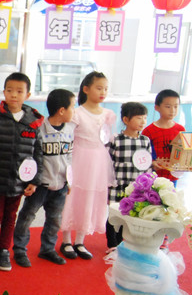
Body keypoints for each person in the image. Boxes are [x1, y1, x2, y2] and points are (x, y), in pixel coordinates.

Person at [0, 72, 43, 273]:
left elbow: (38, 152)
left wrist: (34, 180)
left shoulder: (33, 122)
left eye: (19, 91)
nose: (14, 95)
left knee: (10, 217)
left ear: (28, 94)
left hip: (19, 181)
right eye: (9, 90)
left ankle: (4, 251)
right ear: (4, 92)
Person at [12, 89, 75, 267]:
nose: (74, 111)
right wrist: (30, 180)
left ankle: (48, 249)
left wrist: (70, 180)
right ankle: (19, 249)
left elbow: (69, 157)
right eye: (72, 107)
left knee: (54, 219)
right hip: (40, 184)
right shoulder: (39, 129)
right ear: (61, 110)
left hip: (61, 184)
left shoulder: (70, 130)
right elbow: (31, 156)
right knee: (27, 216)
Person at [60, 71, 116, 260]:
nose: (103, 92)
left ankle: (80, 240)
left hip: (98, 160)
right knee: (73, 195)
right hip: (79, 158)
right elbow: (67, 138)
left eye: (106, 89)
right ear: (86, 89)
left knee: (91, 196)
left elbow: (107, 138)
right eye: (99, 88)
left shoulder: (108, 115)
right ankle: (66, 240)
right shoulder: (77, 113)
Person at [106, 102, 153, 252]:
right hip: (117, 184)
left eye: (144, 118)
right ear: (126, 120)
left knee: (128, 215)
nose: (142, 122)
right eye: (139, 118)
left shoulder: (145, 140)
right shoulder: (116, 139)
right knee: (114, 214)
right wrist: (107, 181)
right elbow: (107, 161)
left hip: (135, 187)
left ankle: (120, 243)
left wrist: (148, 183)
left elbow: (147, 163)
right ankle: (112, 244)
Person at [143, 89, 185, 184]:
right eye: (168, 107)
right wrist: (152, 162)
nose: (172, 110)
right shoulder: (149, 131)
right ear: (157, 107)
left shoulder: (180, 129)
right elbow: (144, 153)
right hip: (153, 177)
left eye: (176, 106)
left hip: (172, 177)